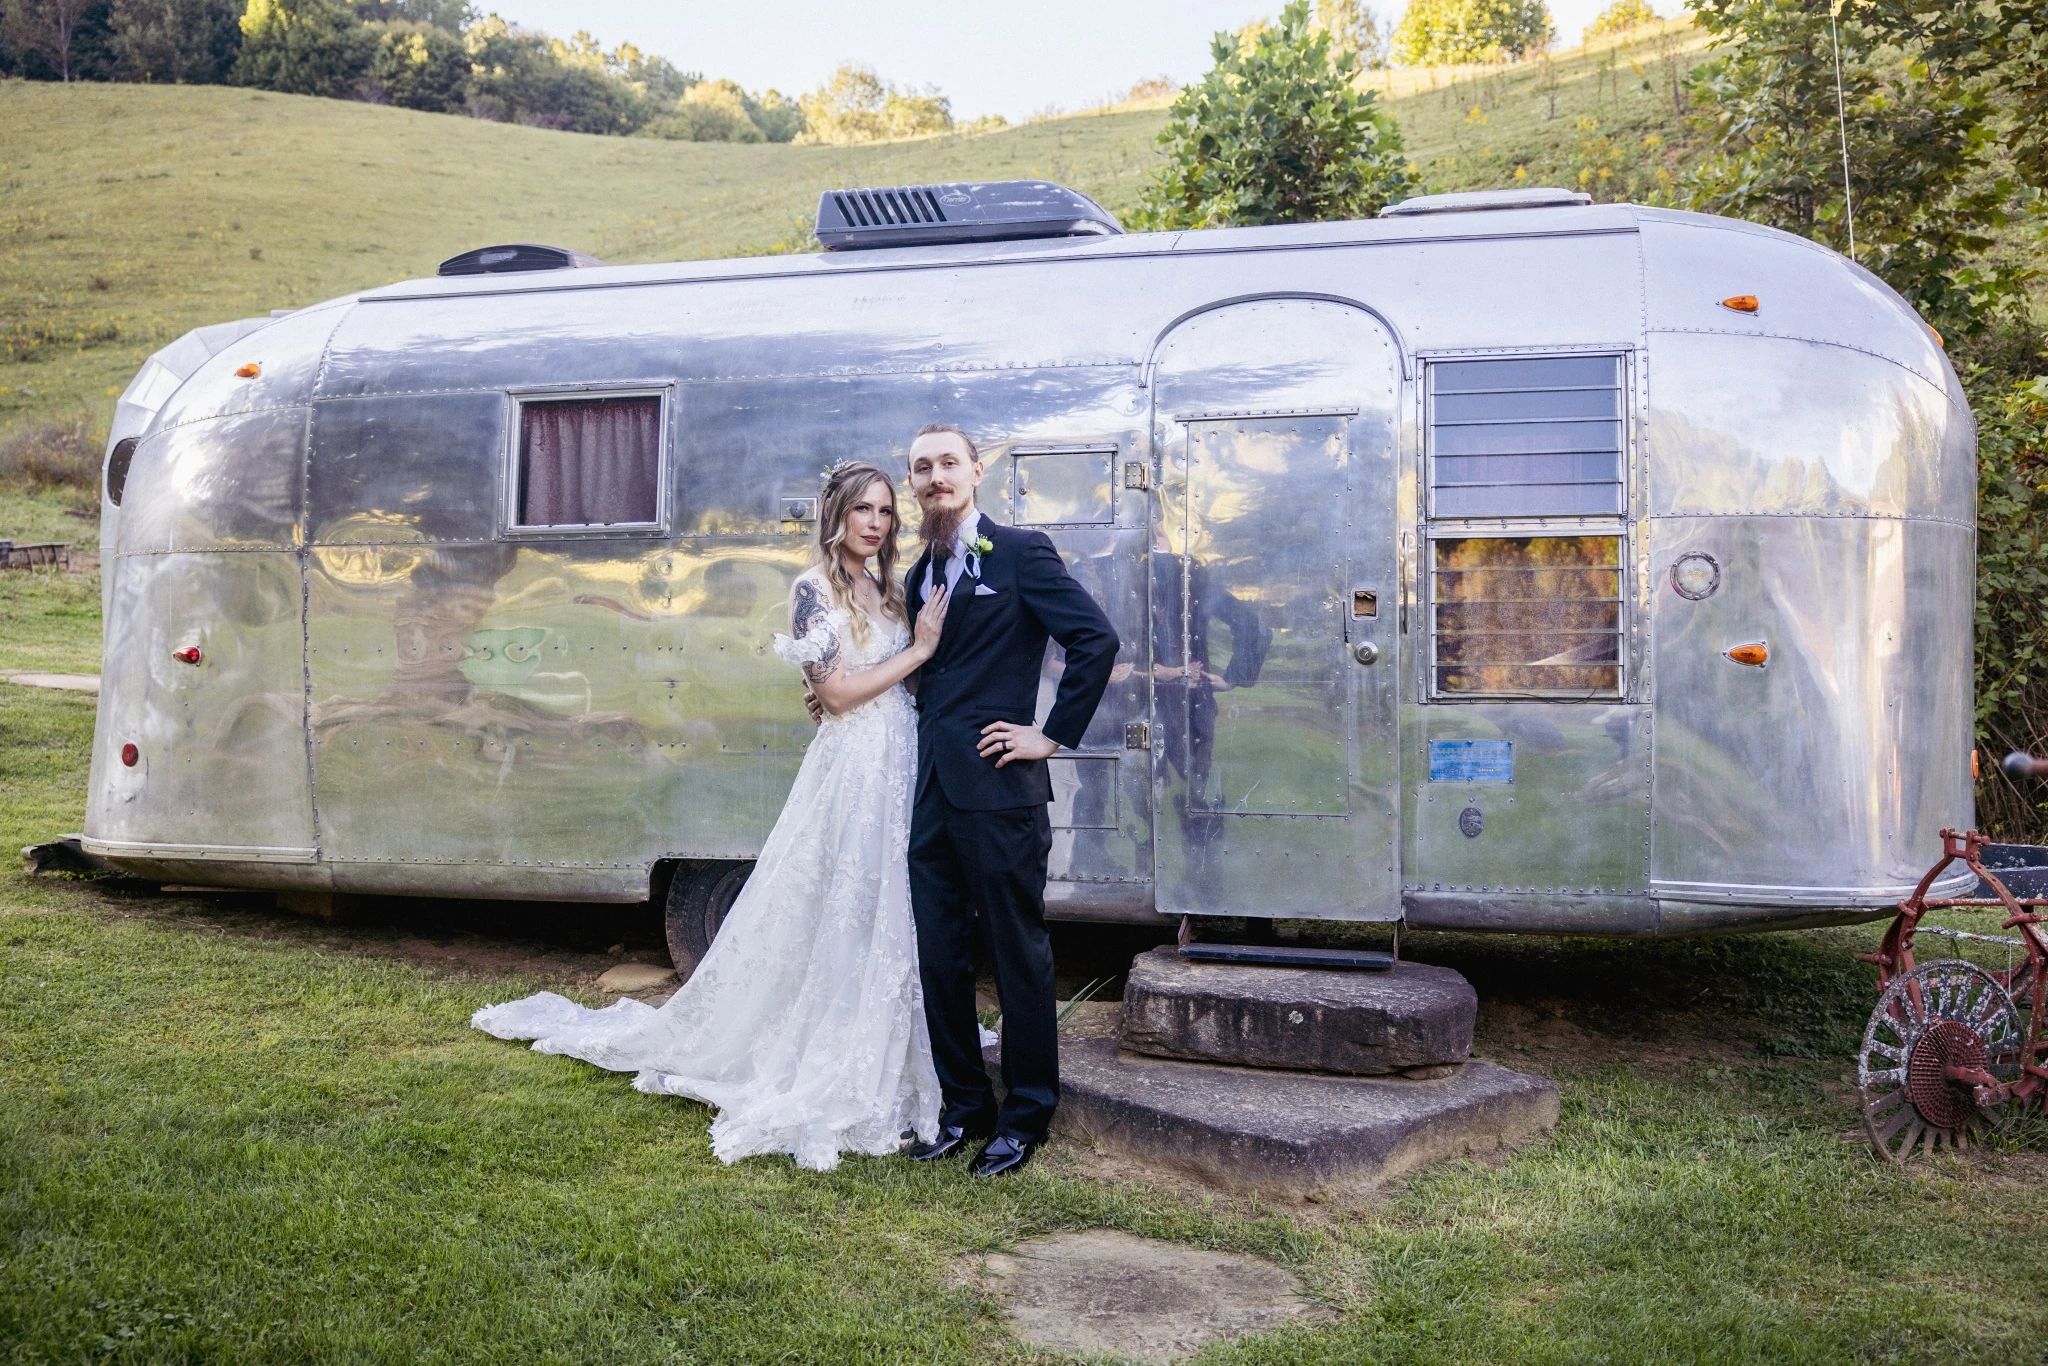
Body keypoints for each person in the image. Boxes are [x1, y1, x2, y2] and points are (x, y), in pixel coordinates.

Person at [471, 462, 951, 1173]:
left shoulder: (890, 589)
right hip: (852, 765)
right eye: (861, 511)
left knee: (889, 901)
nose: (875, 523)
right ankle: (821, 1044)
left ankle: (888, 1032)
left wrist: (905, 658)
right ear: (836, 518)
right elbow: (840, 695)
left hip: (899, 755)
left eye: (884, 510)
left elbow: (858, 684)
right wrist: (914, 653)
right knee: (843, 895)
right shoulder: (811, 589)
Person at [896, 423, 1119, 1178]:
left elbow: (1095, 639)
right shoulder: (916, 572)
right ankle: (964, 1111)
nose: (935, 477)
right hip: (930, 793)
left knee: (1018, 955)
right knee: (939, 955)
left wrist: (1050, 735)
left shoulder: (1020, 554)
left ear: (977, 471)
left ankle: (1025, 1118)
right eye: (921, 468)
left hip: (1000, 790)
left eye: (947, 463)